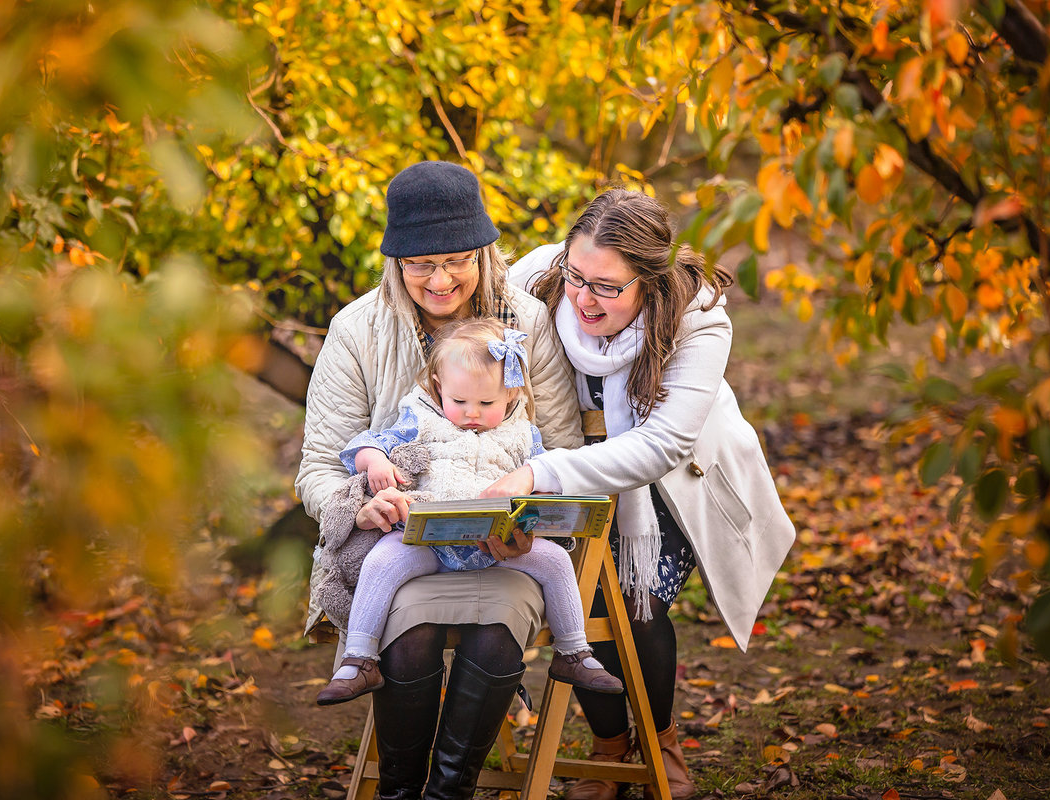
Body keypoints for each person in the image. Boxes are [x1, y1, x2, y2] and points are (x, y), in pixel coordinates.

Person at [485, 189, 796, 800]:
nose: (583, 296)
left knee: (637, 599)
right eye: (577, 276)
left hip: (670, 484)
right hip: (563, 459)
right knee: (574, 595)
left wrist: (541, 475)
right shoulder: (538, 284)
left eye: (607, 286)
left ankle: (659, 740)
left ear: (648, 281)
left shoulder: (697, 316)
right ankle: (609, 748)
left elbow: (660, 445)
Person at [296, 160, 583, 800]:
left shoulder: (527, 325)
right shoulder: (357, 330)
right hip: (405, 546)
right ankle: (401, 791)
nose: (440, 278)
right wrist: (357, 504)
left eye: (456, 259)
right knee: (411, 630)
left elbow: (565, 452)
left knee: (498, 621)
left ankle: (448, 793)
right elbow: (317, 467)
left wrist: (528, 513)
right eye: (420, 263)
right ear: (395, 262)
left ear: (483, 252)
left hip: (504, 550)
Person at [315, 318, 622, 706]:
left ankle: (573, 652)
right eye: (459, 401)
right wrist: (375, 462)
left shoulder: (522, 433)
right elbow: (367, 443)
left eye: (486, 403)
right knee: (382, 560)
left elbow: (546, 478)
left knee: (557, 561)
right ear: (439, 387)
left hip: (495, 547)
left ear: (511, 395)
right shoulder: (421, 417)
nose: (471, 413)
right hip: (426, 541)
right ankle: (358, 659)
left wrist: (539, 510)